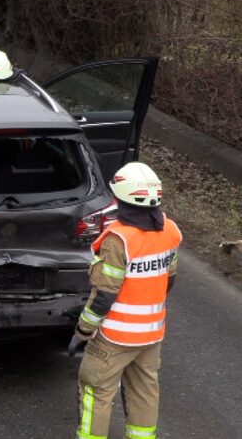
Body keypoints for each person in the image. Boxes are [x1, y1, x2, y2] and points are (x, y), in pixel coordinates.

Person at [69, 162, 181, 439]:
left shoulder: (119, 240)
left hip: (115, 337)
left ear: (120, 198)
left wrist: (82, 331)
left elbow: (104, 295)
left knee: (96, 390)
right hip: (152, 333)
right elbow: (169, 280)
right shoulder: (170, 231)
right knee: (145, 390)